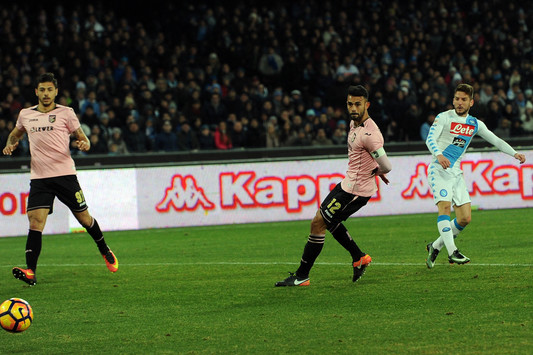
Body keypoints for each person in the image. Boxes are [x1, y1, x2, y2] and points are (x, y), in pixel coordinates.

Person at [2, 73, 118, 286]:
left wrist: (84, 144)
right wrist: (11, 143)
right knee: (35, 222)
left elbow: (83, 138)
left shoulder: (66, 113)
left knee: (84, 219)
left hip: (65, 175)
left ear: (56, 91)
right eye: (42, 90)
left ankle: (104, 249)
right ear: (36, 92)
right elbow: (14, 134)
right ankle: (31, 271)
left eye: (50, 90)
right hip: (40, 178)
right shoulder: (26, 114)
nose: (46, 94)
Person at [275, 85, 392, 287]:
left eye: (358, 104)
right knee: (326, 221)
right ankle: (359, 257)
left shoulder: (370, 134)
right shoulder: (353, 124)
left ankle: (302, 275)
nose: (353, 108)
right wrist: (375, 168)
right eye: (350, 104)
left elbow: (387, 165)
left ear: (367, 104)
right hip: (346, 184)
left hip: (356, 191)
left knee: (319, 223)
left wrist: (378, 170)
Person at [425, 84, 526, 268]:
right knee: (445, 209)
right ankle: (452, 252)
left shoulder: (475, 124)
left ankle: (436, 245)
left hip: (456, 172)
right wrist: (439, 155)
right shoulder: (444, 117)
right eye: (457, 98)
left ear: (471, 102)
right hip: (438, 169)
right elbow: (430, 138)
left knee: (464, 218)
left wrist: (514, 153)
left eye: (464, 99)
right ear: (453, 100)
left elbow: (495, 140)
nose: (459, 102)